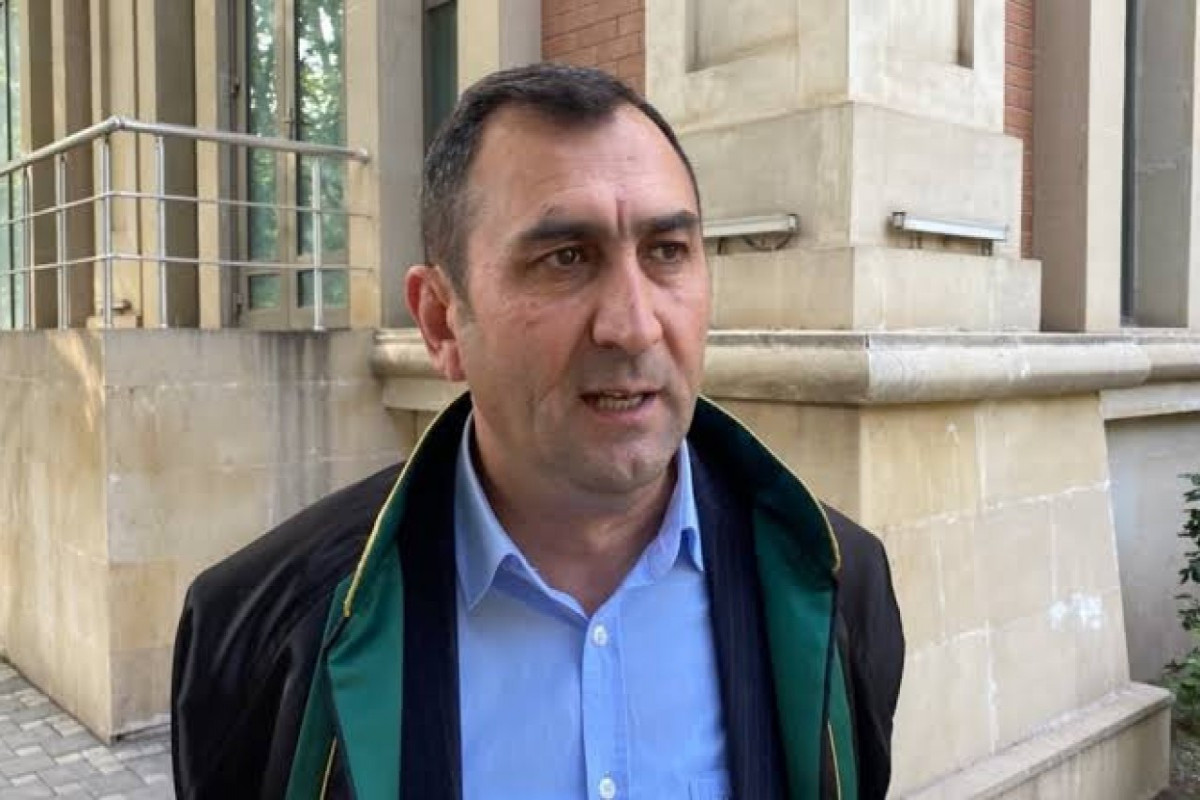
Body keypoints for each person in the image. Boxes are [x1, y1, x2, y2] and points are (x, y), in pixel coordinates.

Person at [171, 63, 904, 800]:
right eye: (566, 259)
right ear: (441, 321)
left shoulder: (836, 589)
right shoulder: (262, 636)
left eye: (666, 251)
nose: (634, 326)